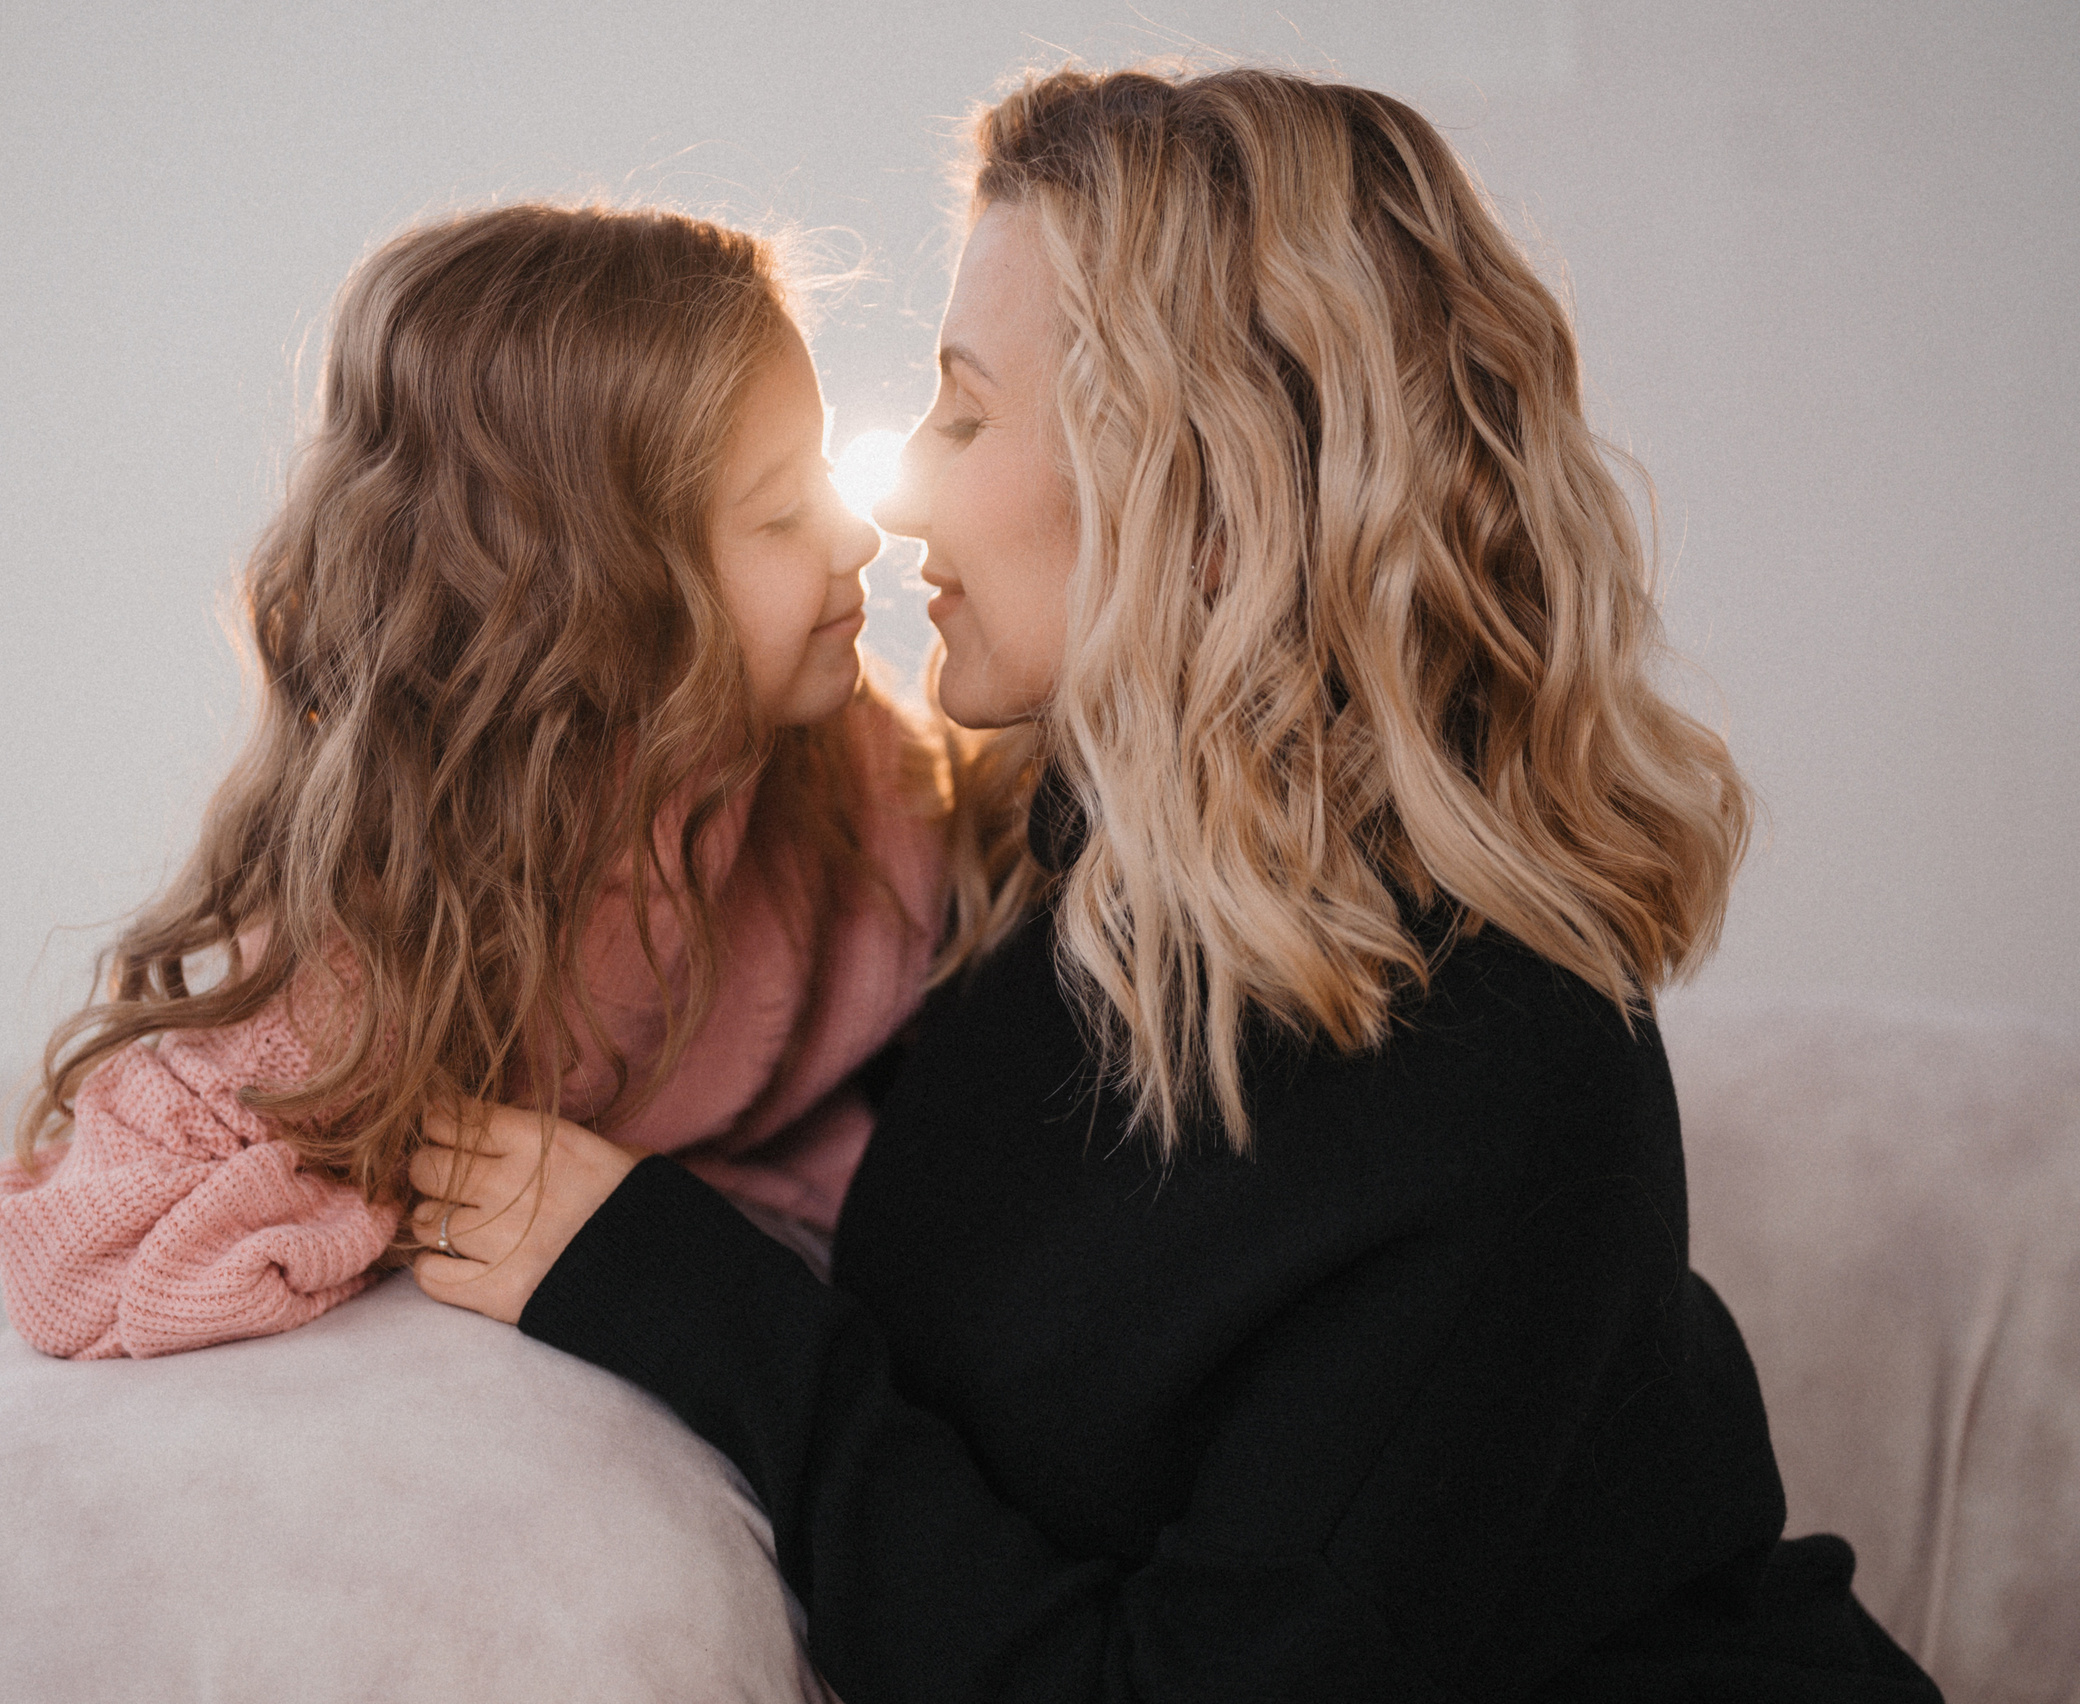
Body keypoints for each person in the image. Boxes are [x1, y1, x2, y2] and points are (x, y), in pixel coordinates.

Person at [401, 68, 1945, 1702]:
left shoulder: (1498, 1078)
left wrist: (675, 1289)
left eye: (968, 409)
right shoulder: (1039, 852)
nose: (900, 488)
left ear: (1202, 502)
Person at [0, 203, 961, 1360]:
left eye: (829, 477)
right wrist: (416, 1198)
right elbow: (76, 1262)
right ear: (592, 601)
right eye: (786, 511)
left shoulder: (851, 760)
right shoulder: (390, 936)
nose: (861, 539)